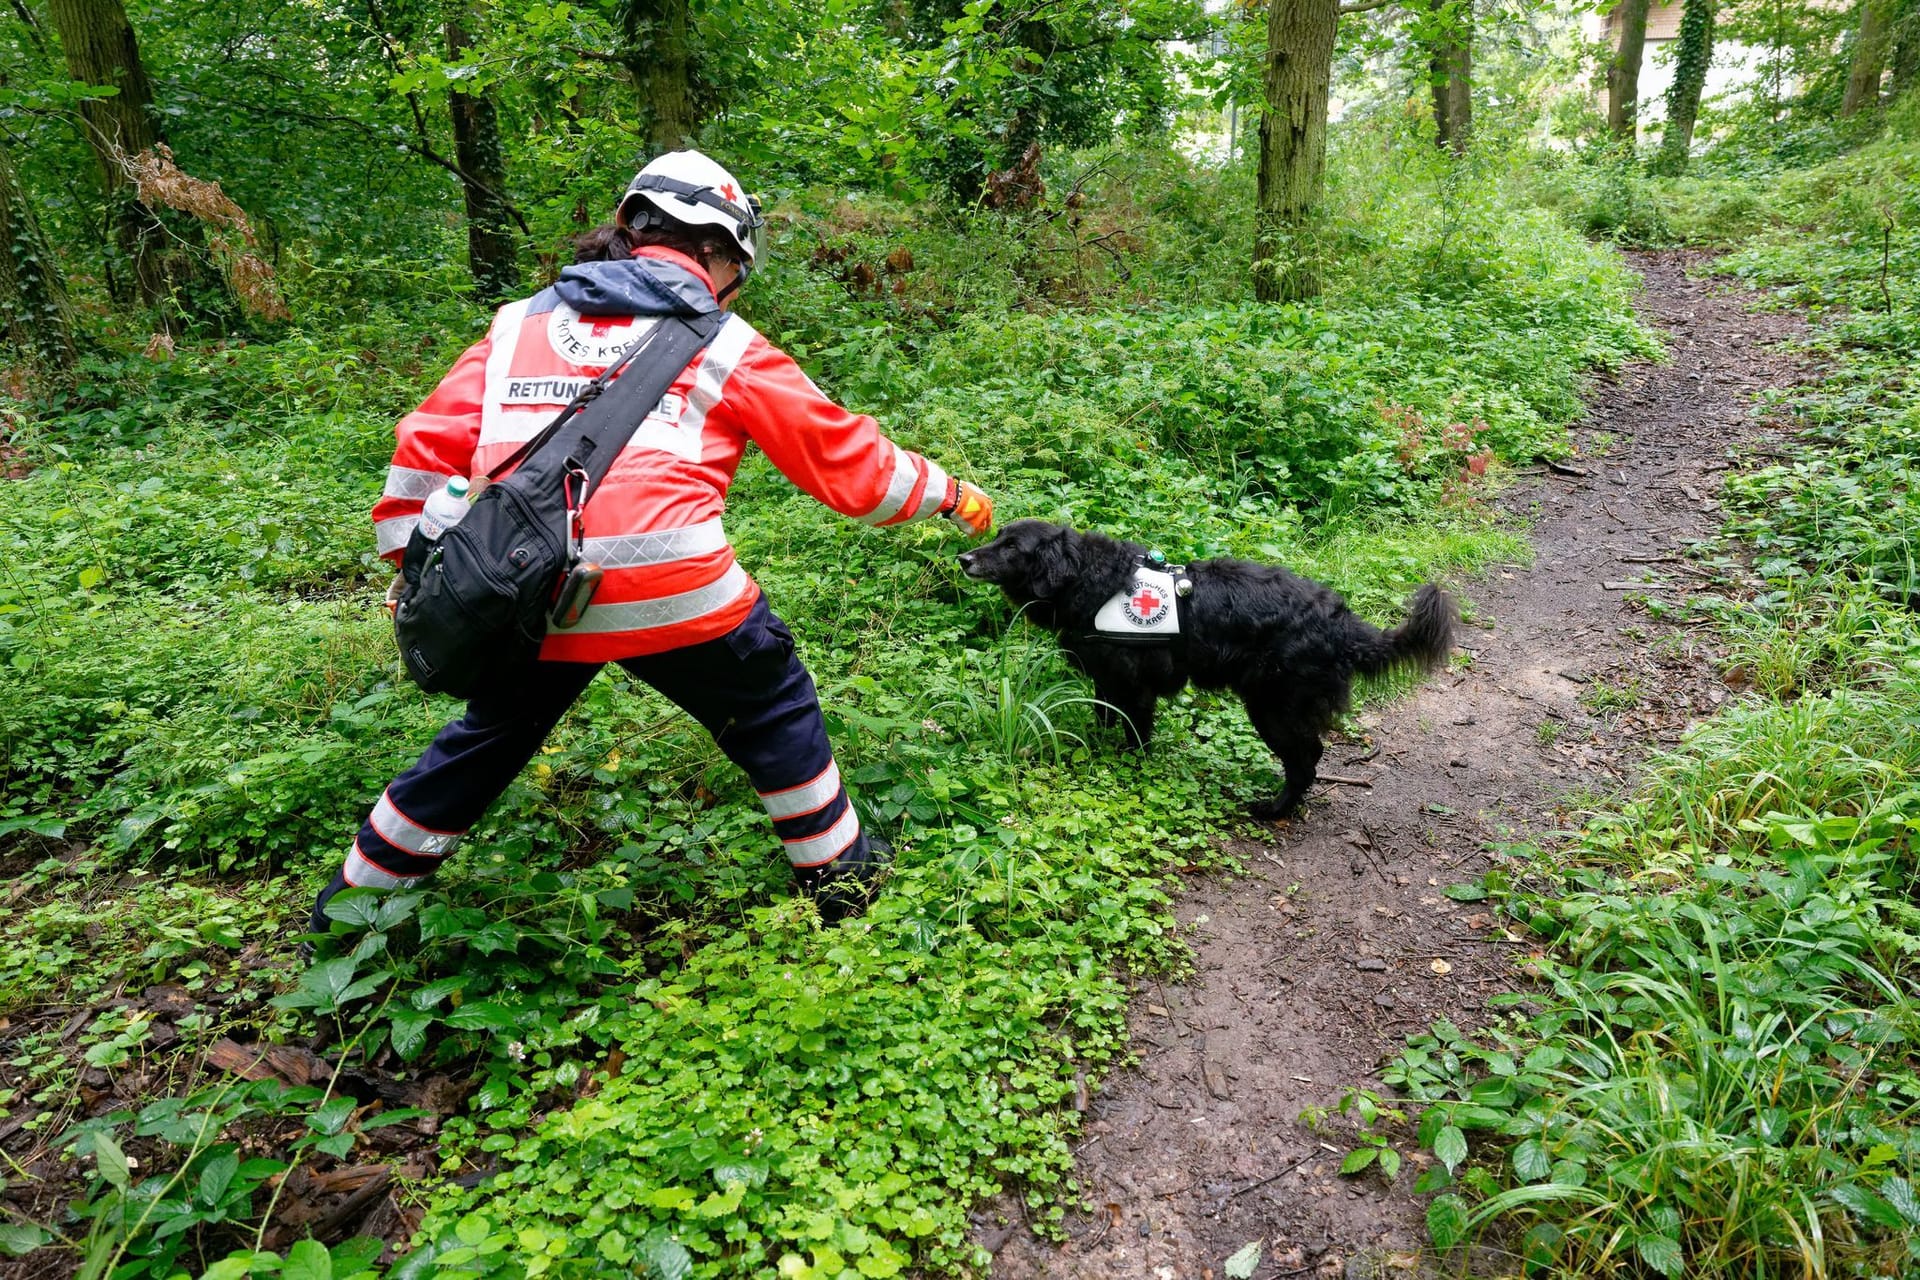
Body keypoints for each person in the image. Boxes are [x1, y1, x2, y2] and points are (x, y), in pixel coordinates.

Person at [305, 150, 993, 945]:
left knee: (481, 744)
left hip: (528, 597)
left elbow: (422, 455)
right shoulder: (728, 343)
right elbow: (853, 470)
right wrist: (948, 494)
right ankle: (841, 884)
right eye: (737, 261)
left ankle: (346, 919)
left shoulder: (516, 326)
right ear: (717, 252)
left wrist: (421, 577)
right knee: (774, 711)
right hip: (679, 596)